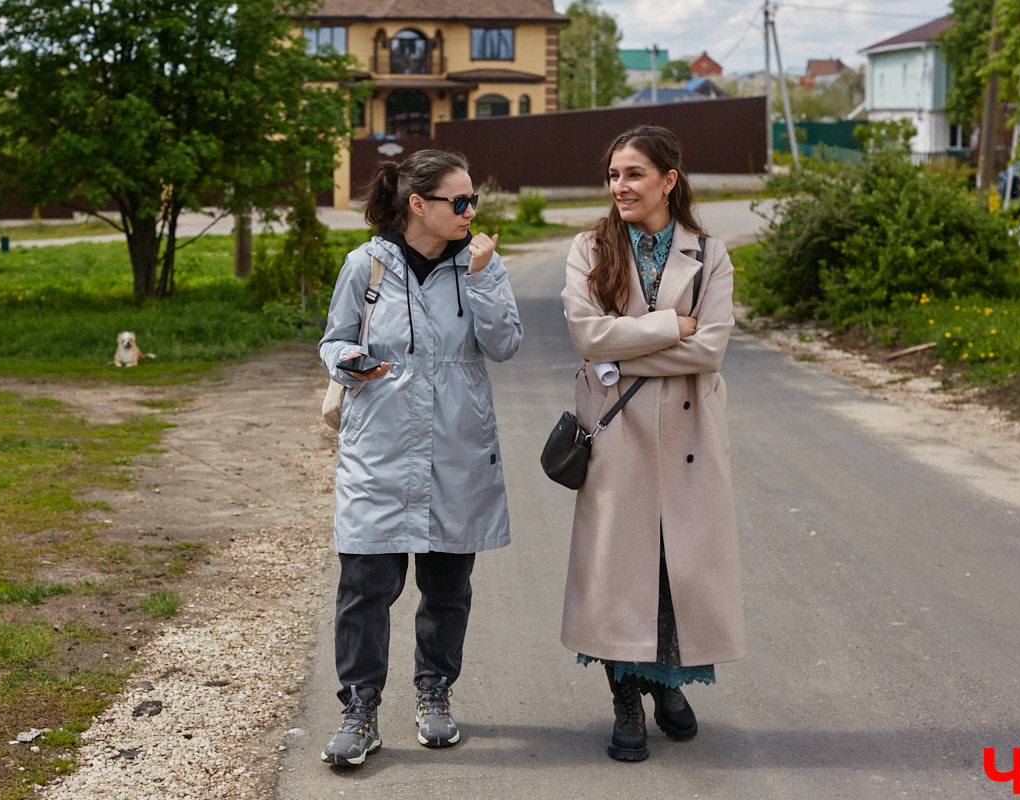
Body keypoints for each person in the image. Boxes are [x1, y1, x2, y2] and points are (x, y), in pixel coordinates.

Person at [317, 149, 523, 767]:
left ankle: (434, 694)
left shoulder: (481, 264)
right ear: (417, 205)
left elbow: (505, 344)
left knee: (447, 587)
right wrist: (350, 362)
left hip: (457, 445)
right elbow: (334, 340)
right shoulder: (366, 266)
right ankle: (360, 708)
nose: (469, 212)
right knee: (364, 586)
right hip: (380, 446)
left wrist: (483, 276)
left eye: (473, 202)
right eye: (458, 202)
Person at [559, 125, 744, 762]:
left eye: (634, 174)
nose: (620, 186)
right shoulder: (589, 248)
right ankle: (624, 702)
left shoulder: (710, 252)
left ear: (669, 179)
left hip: (691, 433)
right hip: (618, 434)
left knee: (675, 569)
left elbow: (711, 348)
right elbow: (588, 338)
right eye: (613, 175)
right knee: (619, 573)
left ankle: (668, 688)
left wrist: (628, 347)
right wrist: (669, 327)